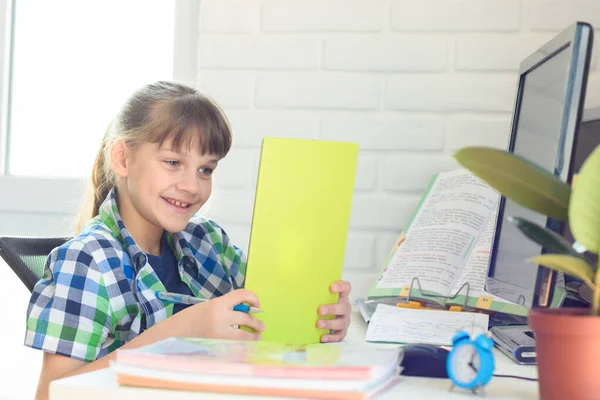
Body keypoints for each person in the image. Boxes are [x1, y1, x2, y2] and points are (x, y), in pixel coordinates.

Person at [24, 81, 353, 400]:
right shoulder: (87, 261)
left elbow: (267, 321)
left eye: (206, 169)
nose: (192, 186)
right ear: (123, 159)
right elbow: (51, 394)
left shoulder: (209, 242)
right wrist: (177, 333)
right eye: (173, 163)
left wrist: (317, 318)